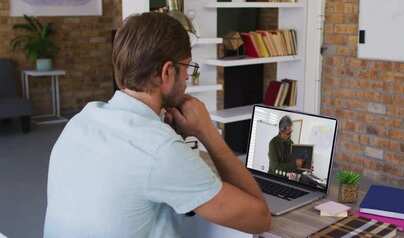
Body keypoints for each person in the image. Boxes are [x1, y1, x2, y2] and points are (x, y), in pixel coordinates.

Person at [44, 12, 270, 237]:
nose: (187, 80)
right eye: (187, 68)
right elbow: (259, 219)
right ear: (167, 72)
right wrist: (207, 131)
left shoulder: (80, 120)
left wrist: (169, 138)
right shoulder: (161, 150)